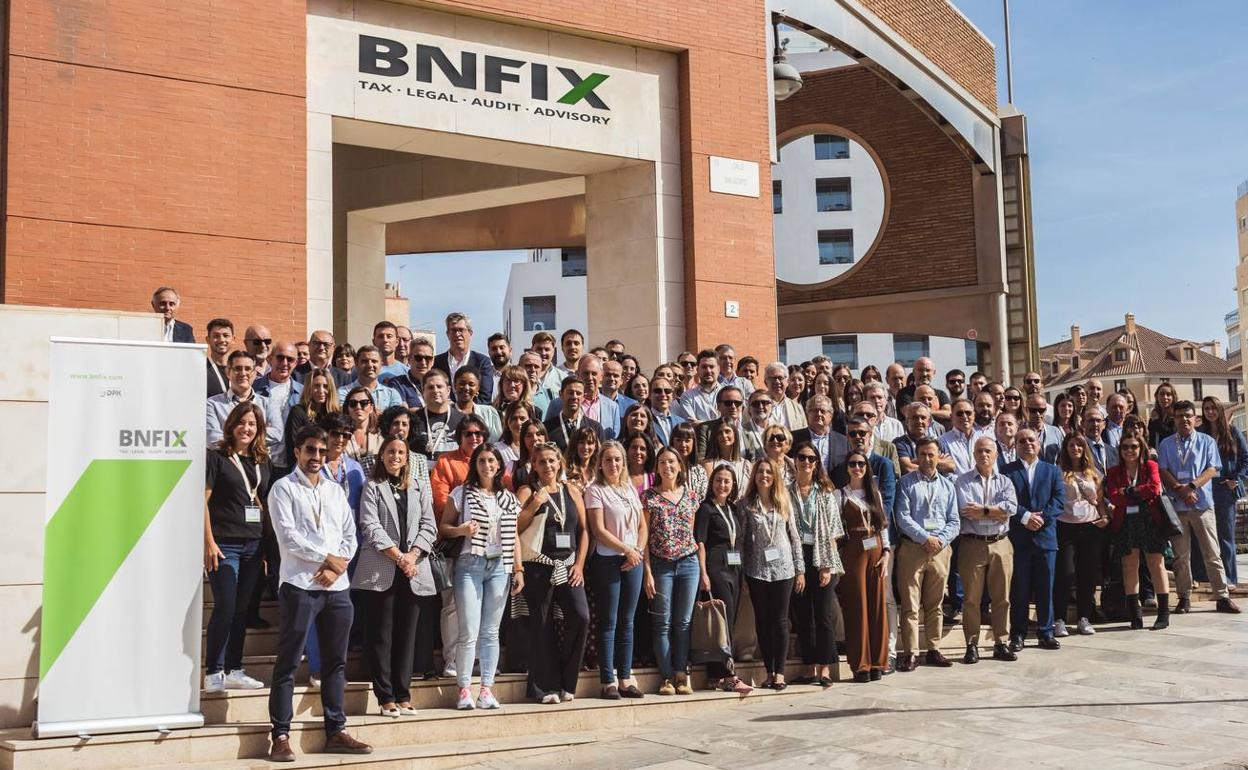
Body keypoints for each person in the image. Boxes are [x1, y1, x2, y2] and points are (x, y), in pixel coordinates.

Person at [265, 426, 370, 762]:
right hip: (299, 586)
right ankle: (280, 734)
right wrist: (328, 559)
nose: (316, 458)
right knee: (289, 662)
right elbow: (289, 537)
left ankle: (335, 730)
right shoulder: (282, 489)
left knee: (336, 663)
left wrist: (337, 567)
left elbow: (350, 534)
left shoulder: (335, 491)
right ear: (297, 451)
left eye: (322, 452)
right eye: (310, 450)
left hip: (337, 588)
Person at [352, 436, 437, 718]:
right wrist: (399, 557)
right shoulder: (372, 486)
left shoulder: (419, 487)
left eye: (401, 452)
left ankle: (404, 694)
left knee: (407, 635)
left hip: (413, 570)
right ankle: (385, 696)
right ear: (382, 455)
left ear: (408, 458)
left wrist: (412, 556)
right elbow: (370, 525)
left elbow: (429, 526)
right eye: (390, 451)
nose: (395, 456)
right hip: (382, 568)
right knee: (382, 635)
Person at [442, 444, 524, 710]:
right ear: (474, 464)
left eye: (491, 460)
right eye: (481, 461)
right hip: (470, 563)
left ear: (499, 465)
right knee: (469, 630)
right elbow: (443, 528)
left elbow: (514, 537)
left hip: (500, 565)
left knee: (491, 632)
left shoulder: (509, 498)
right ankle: (464, 688)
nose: (487, 465)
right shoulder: (461, 494)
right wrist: (461, 530)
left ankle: (486, 688)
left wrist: (519, 569)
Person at [203, 402, 273, 693]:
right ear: (231, 425)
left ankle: (235, 668)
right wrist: (208, 542)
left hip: (254, 543)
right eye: (242, 423)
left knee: (242, 609)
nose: (247, 428)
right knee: (226, 606)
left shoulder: (262, 461)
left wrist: (267, 548)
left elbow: (264, 504)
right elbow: (201, 502)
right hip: (224, 543)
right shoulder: (217, 457)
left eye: (253, 425)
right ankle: (214, 671)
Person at [516, 443, 590, 704]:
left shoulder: (571, 490)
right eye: (541, 462)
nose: (547, 466)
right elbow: (515, 528)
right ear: (533, 465)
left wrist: (579, 564)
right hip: (539, 565)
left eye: (552, 461)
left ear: (560, 463)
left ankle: (567, 682)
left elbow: (584, 531)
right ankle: (544, 687)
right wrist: (533, 504)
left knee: (581, 617)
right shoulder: (528, 491)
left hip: (568, 565)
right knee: (542, 625)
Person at [1156, 400, 1239, 614]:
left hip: (1202, 504)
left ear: (1195, 418)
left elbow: (1212, 469)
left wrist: (1192, 486)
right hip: (1177, 506)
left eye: (1188, 415)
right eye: (1180, 416)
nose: (1184, 419)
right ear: (1174, 419)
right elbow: (1162, 470)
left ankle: (1222, 596)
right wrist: (1179, 489)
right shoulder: (1165, 444)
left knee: (1212, 552)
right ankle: (1184, 597)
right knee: (1181, 556)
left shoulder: (1207, 441)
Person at [585, 442, 649, 699]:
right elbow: (598, 530)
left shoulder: (629, 488)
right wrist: (627, 549)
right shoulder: (595, 490)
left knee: (627, 621)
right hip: (608, 560)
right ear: (600, 463)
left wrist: (638, 552)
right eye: (609, 459)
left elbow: (643, 526)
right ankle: (608, 680)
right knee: (609, 621)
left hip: (632, 561)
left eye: (618, 460)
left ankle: (625, 677)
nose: (614, 464)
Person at [893, 437, 959, 671]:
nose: (927, 459)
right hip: (913, 548)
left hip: (940, 550)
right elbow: (902, 517)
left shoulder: (948, 486)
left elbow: (954, 520)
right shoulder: (906, 483)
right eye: (923, 454)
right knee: (911, 605)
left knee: (936, 603)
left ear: (939, 456)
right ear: (916, 457)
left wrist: (939, 540)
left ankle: (933, 649)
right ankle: (910, 653)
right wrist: (925, 537)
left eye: (931, 454)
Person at [738, 458, 802, 689]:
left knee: (781, 620)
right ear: (754, 476)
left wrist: (800, 569)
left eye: (768, 472)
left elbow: (794, 537)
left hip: (784, 568)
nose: (764, 475)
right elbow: (740, 541)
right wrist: (742, 573)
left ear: (774, 476)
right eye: (760, 472)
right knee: (763, 622)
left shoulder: (784, 501)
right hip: (757, 569)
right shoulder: (745, 505)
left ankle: (781, 673)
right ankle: (769, 670)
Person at [641, 446, 701, 696]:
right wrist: (647, 572)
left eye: (672, 462)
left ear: (680, 466)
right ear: (656, 467)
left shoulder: (691, 495)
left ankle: (681, 673)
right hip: (660, 564)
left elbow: (693, 532)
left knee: (684, 622)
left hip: (688, 563)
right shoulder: (648, 497)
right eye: (663, 462)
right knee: (662, 623)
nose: (668, 466)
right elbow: (643, 538)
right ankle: (666, 677)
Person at [953, 436, 1019, 663]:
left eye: (988, 451)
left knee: (1002, 597)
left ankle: (1001, 642)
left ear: (996, 455)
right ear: (973, 454)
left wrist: (984, 510)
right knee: (971, 599)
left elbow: (1011, 508)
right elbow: (965, 510)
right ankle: (971, 644)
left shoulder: (1005, 482)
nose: (983, 455)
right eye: (979, 451)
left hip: (1001, 543)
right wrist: (994, 511)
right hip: (972, 543)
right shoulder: (962, 482)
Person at [1002, 428, 1066, 651]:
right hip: (1018, 538)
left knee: (1045, 587)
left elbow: (1059, 500)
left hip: (1045, 537)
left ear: (1039, 444)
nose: (1027, 443)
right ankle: (1017, 634)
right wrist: (1025, 516)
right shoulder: (1007, 471)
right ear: (1015, 445)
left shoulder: (1052, 470)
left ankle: (1045, 632)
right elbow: (1006, 500)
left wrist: (1042, 518)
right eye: (1021, 441)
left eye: (1031, 440)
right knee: (1019, 588)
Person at [788, 442, 844, 686]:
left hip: (821, 555)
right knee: (803, 615)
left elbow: (833, 531)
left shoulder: (825, 492)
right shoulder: (787, 491)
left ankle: (825, 667)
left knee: (823, 614)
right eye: (802, 457)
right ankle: (809, 665)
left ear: (817, 463)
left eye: (811, 458)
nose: (806, 462)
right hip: (796, 556)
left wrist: (826, 566)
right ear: (795, 460)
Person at [1105, 435, 1172, 630]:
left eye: (1133, 446)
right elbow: (1115, 497)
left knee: (1156, 564)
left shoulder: (1150, 466)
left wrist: (1129, 491)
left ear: (1140, 448)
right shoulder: (1114, 471)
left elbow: (1154, 489)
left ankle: (1163, 614)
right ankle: (1135, 615)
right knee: (1129, 566)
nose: (1129, 450)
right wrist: (1136, 494)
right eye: (1125, 447)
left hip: (1150, 520)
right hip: (1126, 522)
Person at [695, 466, 752, 694]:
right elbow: (700, 542)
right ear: (712, 482)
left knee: (729, 623)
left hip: (735, 570)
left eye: (727, 481)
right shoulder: (706, 508)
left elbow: (739, 541)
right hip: (716, 569)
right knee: (722, 623)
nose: (722, 485)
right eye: (718, 480)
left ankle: (715, 675)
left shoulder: (733, 508)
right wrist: (703, 573)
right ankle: (728, 675)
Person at [835, 450, 890, 682]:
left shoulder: (873, 493)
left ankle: (879, 661)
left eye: (861, 464)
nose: (857, 467)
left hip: (875, 547)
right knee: (857, 606)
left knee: (877, 606)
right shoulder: (840, 494)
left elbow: (882, 525)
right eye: (853, 464)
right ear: (847, 468)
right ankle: (860, 664)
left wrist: (886, 552)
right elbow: (836, 528)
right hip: (854, 550)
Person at [1053, 434, 1109, 637]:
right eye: (1071, 444)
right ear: (1066, 448)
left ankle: (1084, 617)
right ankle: (1059, 618)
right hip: (1065, 525)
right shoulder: (1058, 471)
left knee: (1088, 574)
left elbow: (1100, 500)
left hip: (1090, 526)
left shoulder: (1093, 473)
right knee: (1065, 573)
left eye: (1079, 444)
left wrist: (1104, 518)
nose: (1075, 448)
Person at [1198, 396, 1247, 589]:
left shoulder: (1232, 432)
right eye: (1206, 408)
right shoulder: (1200, 433)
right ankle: (1206, 578)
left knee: (1226, 537)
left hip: (1225, 491)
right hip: (1204, 490)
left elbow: (1246, 458)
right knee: (1206, 537)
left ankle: (1230, 579)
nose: (1210, 412)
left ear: (1219, 410)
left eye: (1213, 408)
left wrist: (1237, 479)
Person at [207, 350, 282, 453]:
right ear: (228, 372)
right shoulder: (212, 404)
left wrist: (230, 435)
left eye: (248, 369)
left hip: (258, 464)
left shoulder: (268, 404)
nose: (243, 373)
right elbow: (212, 439)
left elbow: (277, 434)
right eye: (237, 369)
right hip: (226, 464)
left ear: (255, 373)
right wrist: (256, 434)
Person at [285, 368, 340, 469]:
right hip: (304, 468)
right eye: (316, 386)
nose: (321, 391)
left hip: (332, 468)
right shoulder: (298, 412)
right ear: (309, 388)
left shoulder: (335, 415)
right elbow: (293, 448)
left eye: (325, 386)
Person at [790, 395, 850, 474]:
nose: (819, 414)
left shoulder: (843, 442)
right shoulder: (793, 438)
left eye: (823, 411)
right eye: (814, 410)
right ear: (807, 414)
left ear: (830, 416)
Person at [410, 370, 457, 463]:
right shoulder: (413, 420)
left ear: (448, 390)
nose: (435, 390)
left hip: (452, 475)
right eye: (430, 387)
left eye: (439, 386)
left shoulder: (461, 420)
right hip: (420, 475)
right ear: (423, 391)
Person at [338, 346, 404, 411]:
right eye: (365, 361)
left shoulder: (392, 394)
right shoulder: (343, 392)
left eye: (374, 361)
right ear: (356, 364)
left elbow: (395, 419)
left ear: (381, 365)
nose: (370, 365)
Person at [451, 367, 502, 443]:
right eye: (462, 383)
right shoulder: (447, 413)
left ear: (478, 388)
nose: (466, 388)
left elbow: (496, 443)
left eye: (471, 384)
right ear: (455, 386)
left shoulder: (490, 413)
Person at [341, 386, 382, 473]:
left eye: (364, 403)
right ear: (347, 408)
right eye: (353, 403)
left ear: (371, 408)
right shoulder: (340, 434)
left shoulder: (382, 433)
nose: (358, 407)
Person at [672, 349, 722, 422]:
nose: (708, 371)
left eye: (711, 367)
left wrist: (700, 423)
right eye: (704, 367)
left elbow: (730, 423)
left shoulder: (728, 393)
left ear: (718, 369)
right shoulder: (687, 396)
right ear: (698, 370)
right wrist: (719, 422)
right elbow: (692, 425)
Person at [384, 338, 435, 408]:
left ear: (433, 361)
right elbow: (403, 413)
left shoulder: (438, 384)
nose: (423, 362)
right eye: (418, 358)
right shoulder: (397, 384)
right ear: (409, 359)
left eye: (427, 358)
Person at [703, 420, 750, 488]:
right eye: (720, 433)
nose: (724, 435)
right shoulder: (709, 465)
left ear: (735, 434)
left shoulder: (746, 465)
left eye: (727, 431)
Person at [669, 422, 708, 499]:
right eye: (679, 440)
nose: (683, 444)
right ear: (672, 441)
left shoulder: (699, 470)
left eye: (687, 441)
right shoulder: (667, 468)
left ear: (693, 442)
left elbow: (704, 497)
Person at [494, 402, 534, 476]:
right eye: (514, 419)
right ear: (507, 422)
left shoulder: (537, 446)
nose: (518, 423)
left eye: (522, 418)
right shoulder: (497, 449)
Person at [648, 376, 686, 445]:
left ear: (672, 395)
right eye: (657, 391)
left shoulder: (681, 422)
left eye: (667, 391)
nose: (663, 394)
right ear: (649, 395)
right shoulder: (644, 421)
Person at [1080, 407, 1118, 476]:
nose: (1095, 424)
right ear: (1082, 424)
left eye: (1098, 420)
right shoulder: (1078, 450)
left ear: (1104, 424)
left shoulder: (1114, 452)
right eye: (1091, 420)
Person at [564, 425, 601, 490]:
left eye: (590, 443)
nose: (585, 447)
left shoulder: (600, 471)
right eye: (581, 443)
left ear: (595, 446)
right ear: (575, 445)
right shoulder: (566, 470)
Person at [1148, 382, 1178, 449]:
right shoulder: (1153, 418)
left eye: (1168, 394)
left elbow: (1168, 435)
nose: (1165, 397)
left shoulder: (1176, 417)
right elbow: (1151, 440)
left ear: (1173, 397)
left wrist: (1157, 421)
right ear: (1157, 397)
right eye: (1161, 394)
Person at [486, 332, 511, 396]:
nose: (498, 352)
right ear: (489, 353)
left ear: (510, 350)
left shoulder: (519, 374)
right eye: (494, 349)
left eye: (502, 347)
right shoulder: (484, 375)